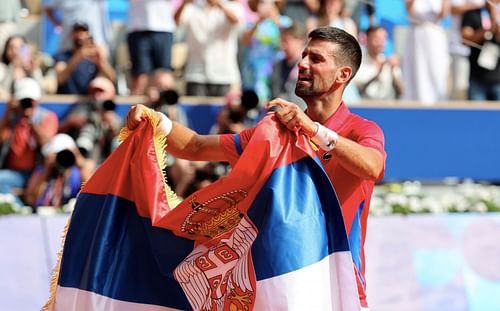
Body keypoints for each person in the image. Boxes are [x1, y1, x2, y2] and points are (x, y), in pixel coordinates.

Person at [126, 26, 386, 309]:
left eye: (316, 59)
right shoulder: (276, 133)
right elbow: (196, 146)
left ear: (343, 75)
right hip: (276, 288)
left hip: (338, 291)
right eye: (303, 56)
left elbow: (373, 166)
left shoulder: (361, 130)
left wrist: (314, 131)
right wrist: (157, 121)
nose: (303, 64)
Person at [0, 78, 58, 205]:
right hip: (14, 173)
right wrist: (8, 112)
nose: (27, 104)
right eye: (24, 100)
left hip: (38, 172)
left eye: (30, 101)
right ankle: (16, 209)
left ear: (37, 100)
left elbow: (47, 144)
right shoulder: (12, 117)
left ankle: (17, 210)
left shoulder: (47, 117)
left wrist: (31, 121)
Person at [174, 0, 244, 97]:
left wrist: (219, 4)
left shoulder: (232, 6)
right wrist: (185, 3)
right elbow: (176, 21)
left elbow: (236, 20)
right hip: (195, 74)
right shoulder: (192, 7)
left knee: (223, 110)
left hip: (223, 74)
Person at [402, 0, 450, 104]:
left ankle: (438, 102)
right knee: (417, 71)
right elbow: (409, 11)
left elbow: (444, 14)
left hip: (434, 33)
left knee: (437, 71)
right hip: (417, 34)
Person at [126, 0, 176, 95]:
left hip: (163, 27)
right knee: (140, 78)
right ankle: (135, 108)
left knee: (165, 78)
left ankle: (170, 109)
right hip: (138, 27)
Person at [53, 22, 116, 95]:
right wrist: (77, 57)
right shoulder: (62, 56)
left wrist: (101, 62)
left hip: (90, 102)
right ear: (71, 35)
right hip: (66, 102)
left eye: (83, 32)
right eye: (77, 32)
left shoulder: (93, 58)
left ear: (88, 35)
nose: (80, 35)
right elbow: (60, 79)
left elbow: (112, 78)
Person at [461, 1, 500, 100]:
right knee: (476, 113)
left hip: (498, 79)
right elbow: (465, 39)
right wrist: (489, 29)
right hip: (477, 79)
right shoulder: (472, 13)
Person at [353, 25, 403, 100]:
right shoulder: (358, 62)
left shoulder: (389, 63)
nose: (381, 42)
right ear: (366, 39)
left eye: (383, 38)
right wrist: (377, 74)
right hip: (365, 107)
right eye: (377, 38)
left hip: (389, 107)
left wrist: (393, 71)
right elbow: (359, 90)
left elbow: (401, 91)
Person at [271, 21, 307, 109]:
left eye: (286, 41)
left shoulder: (308, 67)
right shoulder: (277, 65)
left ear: (300, 41)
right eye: (282, 41)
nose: (282, 46)